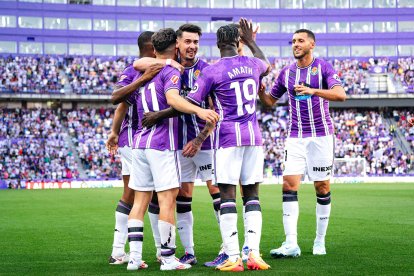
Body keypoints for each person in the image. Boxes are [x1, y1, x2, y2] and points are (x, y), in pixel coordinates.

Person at [126, 28, 219, 271]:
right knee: (171, 199)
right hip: (166, 143)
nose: (192, 46)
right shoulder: (170, 69)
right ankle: (171, 256)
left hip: (143, 143)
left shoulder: (149, 70)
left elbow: (138, 62)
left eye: (196, 42)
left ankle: (134, 259)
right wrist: (198, 110)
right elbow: (174, 100)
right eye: (187, 41)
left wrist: (199, 137)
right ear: (176, 45)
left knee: (141, 201)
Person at [186, 20, 271, 271]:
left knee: (227, 196)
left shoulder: (211, 71)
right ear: (238, 42)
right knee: (252, 196)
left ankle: (233, 256)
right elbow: (266, 65)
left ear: (217, 44)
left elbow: (193, 100)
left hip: (227, 139)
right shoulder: (254, 64)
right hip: (254, 138)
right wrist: (251, 41)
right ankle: (253, 253)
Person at [258, 29, 346, 257]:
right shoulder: (287, 73)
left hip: (321, 136)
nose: (295, 44)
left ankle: (319, 240)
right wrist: (260, 89)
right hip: (295, 136)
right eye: (294, 41)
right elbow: (269, 101)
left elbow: (341, 94)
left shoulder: (323, 67)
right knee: (288, 184)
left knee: (322, 187)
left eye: (300, 41)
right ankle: (291, 243)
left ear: (312, 44)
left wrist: (313, 90)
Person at [105, 31, 156, 266]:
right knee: (146, 194)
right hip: (136, 141)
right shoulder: (132, 71)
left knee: (131, 194)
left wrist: (114, 133)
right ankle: (154, 251)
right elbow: (118, 101)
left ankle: (118, 251)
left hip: (131, 140)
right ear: (151, 47)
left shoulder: (153, 67)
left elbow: (120, 110)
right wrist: (142, 80)